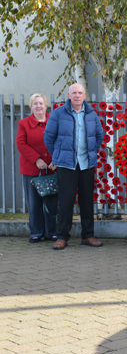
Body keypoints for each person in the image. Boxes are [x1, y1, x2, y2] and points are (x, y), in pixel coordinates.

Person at [44, 83, 104, 250]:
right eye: (74, 93)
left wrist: (91, 151)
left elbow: (99, 136)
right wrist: (58, 155)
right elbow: (49, 137)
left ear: (84, 96)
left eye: (80, 93)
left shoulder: (92, 114)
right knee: (65, 201)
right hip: (66, 165)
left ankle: (88, 235)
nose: (77, 96)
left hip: (86, 164)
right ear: (69, 96)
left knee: (86, 200)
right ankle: (62, 237)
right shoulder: (58, 114)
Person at [17, 93, 58, 243]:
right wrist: (36, 160)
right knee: (34, 203)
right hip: (32, 169)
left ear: (46, 105)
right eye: (35, 103)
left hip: (51, 168)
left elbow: (61, 142)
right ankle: (36, 232)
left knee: (51, 203)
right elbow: (21, 144)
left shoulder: (55, 122)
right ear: (31, 106)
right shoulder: (23, 124)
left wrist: (56, 160)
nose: (38, 106)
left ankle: (51, 232)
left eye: (41, 103)